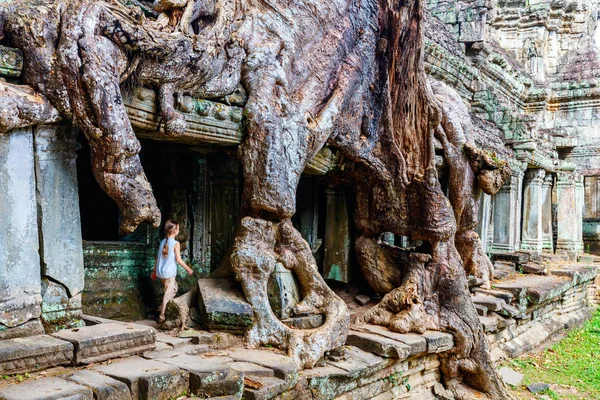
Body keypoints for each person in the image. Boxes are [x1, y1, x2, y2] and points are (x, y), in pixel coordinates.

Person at [151, 220, 194, 323]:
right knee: (168, 295)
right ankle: (161, 317)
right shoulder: (176, 243)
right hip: (169, 274)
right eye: (178, 228)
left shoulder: (163, 241)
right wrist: (188, 269)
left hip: (161, 273)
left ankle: (160, 307)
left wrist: (154, 272)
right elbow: (178, 260)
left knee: (173, 288)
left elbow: (157, 258)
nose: (179, 230)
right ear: (174, 231)